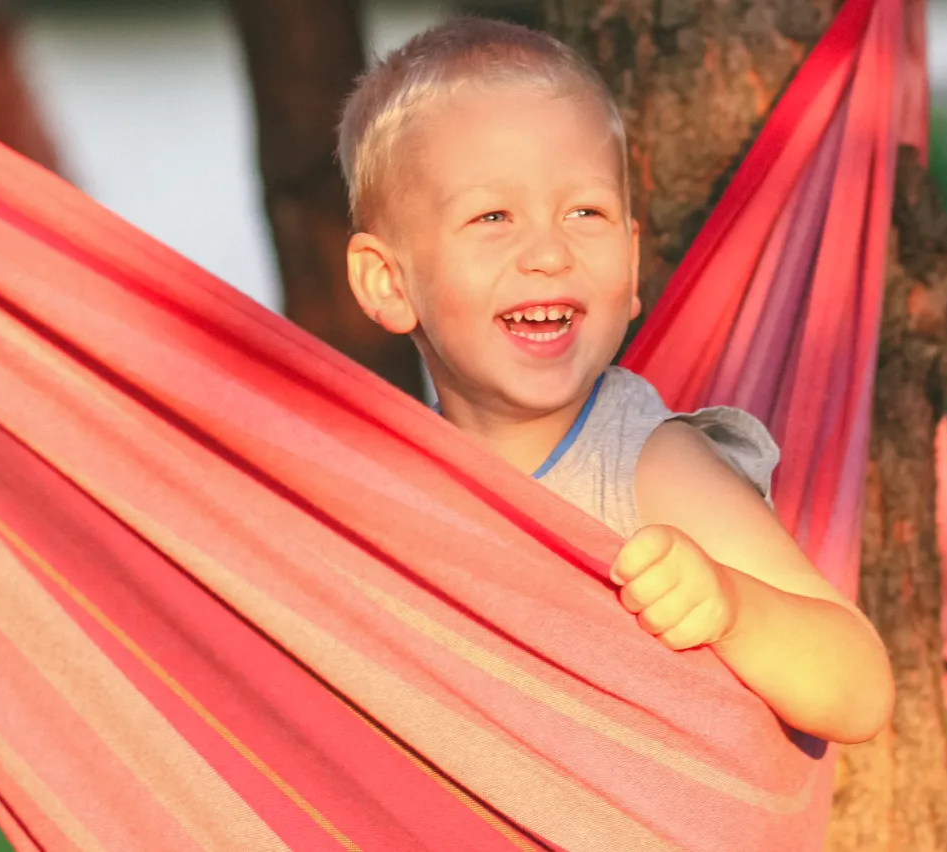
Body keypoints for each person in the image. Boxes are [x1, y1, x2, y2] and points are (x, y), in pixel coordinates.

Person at [338, 17, 893, 744]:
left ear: (631, 265)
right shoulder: (397, 487)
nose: (549, 252)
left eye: (585, 211)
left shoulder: (645, 466)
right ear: (387, 282)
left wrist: (731, 607)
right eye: (493, 216)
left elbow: (859, 688)